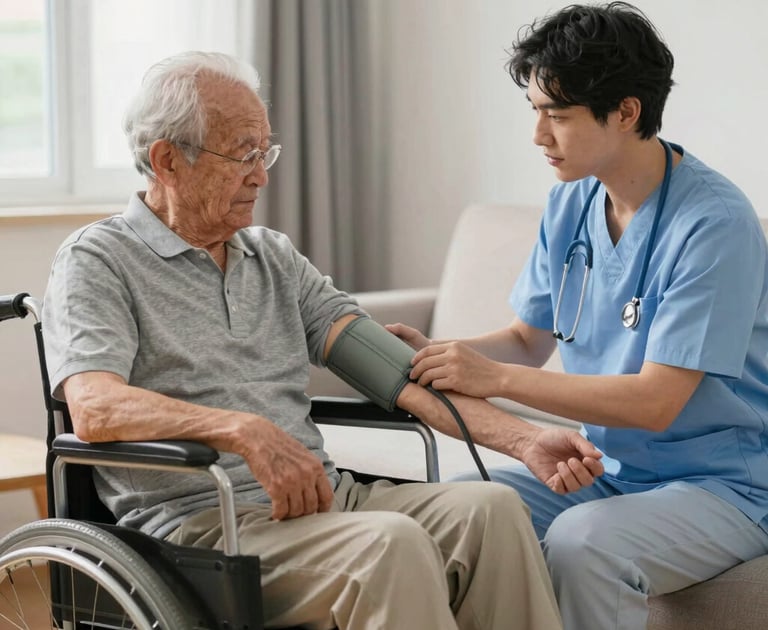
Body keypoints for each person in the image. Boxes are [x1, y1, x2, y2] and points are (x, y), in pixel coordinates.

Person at [41, 50, 606, 630]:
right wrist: (242, 430)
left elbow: (398, 373)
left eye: (266, 152)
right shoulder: (98, 260)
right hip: (203, 528)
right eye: (242, 154)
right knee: (389, 544)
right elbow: (95, 406)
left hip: (321, 504)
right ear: (167, 161)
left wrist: (525, 440)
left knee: (493, 511)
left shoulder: (272, 258)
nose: (261, 174)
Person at [389, 3, 768, 629]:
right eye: (535, 111)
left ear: (625, 112)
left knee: (583, 541)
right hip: (606, 468)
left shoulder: (715, 224)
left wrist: (493, 378)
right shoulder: (571, 202)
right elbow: (526, 338)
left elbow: (656, 403)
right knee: (460, 508)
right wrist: (437, 352)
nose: (538, 135)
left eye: (556, 115)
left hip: (724, 486)